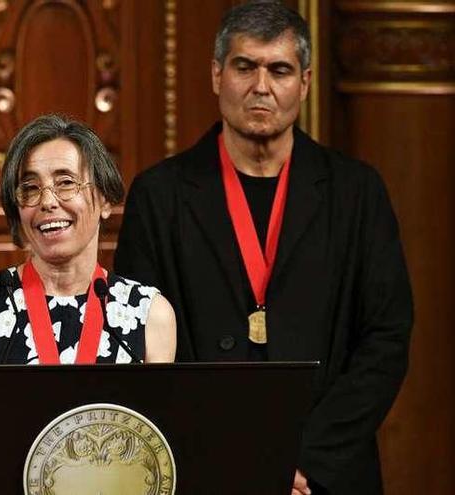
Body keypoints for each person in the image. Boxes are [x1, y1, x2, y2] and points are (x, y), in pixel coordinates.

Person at [114, 2, 412, 494]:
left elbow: (386, 340)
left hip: (326, 476)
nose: (261, 86)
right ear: (216, 75)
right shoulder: (160, 195)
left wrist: (304, 463)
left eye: (280, 70)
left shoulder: (356, 192)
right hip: (204, 469)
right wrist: (227, 457)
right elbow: (141, 345)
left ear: (305, 82)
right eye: (244, 66)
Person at [0, 114, 176, 366]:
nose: (47, 201)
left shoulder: (149, 313)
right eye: (30, 188)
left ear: (104, 199)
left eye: (66, 183)